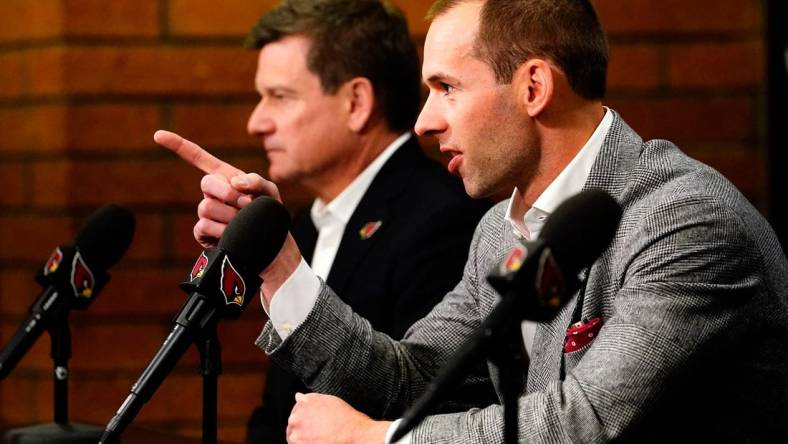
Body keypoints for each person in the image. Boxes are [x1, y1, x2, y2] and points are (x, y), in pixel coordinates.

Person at [161, 0, 788, 442]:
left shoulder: (686, 219)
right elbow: (411, 378)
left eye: (447, 88)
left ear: (534, 86)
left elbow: (588, 423)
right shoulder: (497, 228)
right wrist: (281, 264)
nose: (424, 121)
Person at [157, 1, 492, 443]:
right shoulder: (304, 225)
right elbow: (279, 412)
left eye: (280, 97)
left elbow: (416, 403)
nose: (256, 122)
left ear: (356, 102)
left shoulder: (446, 221)